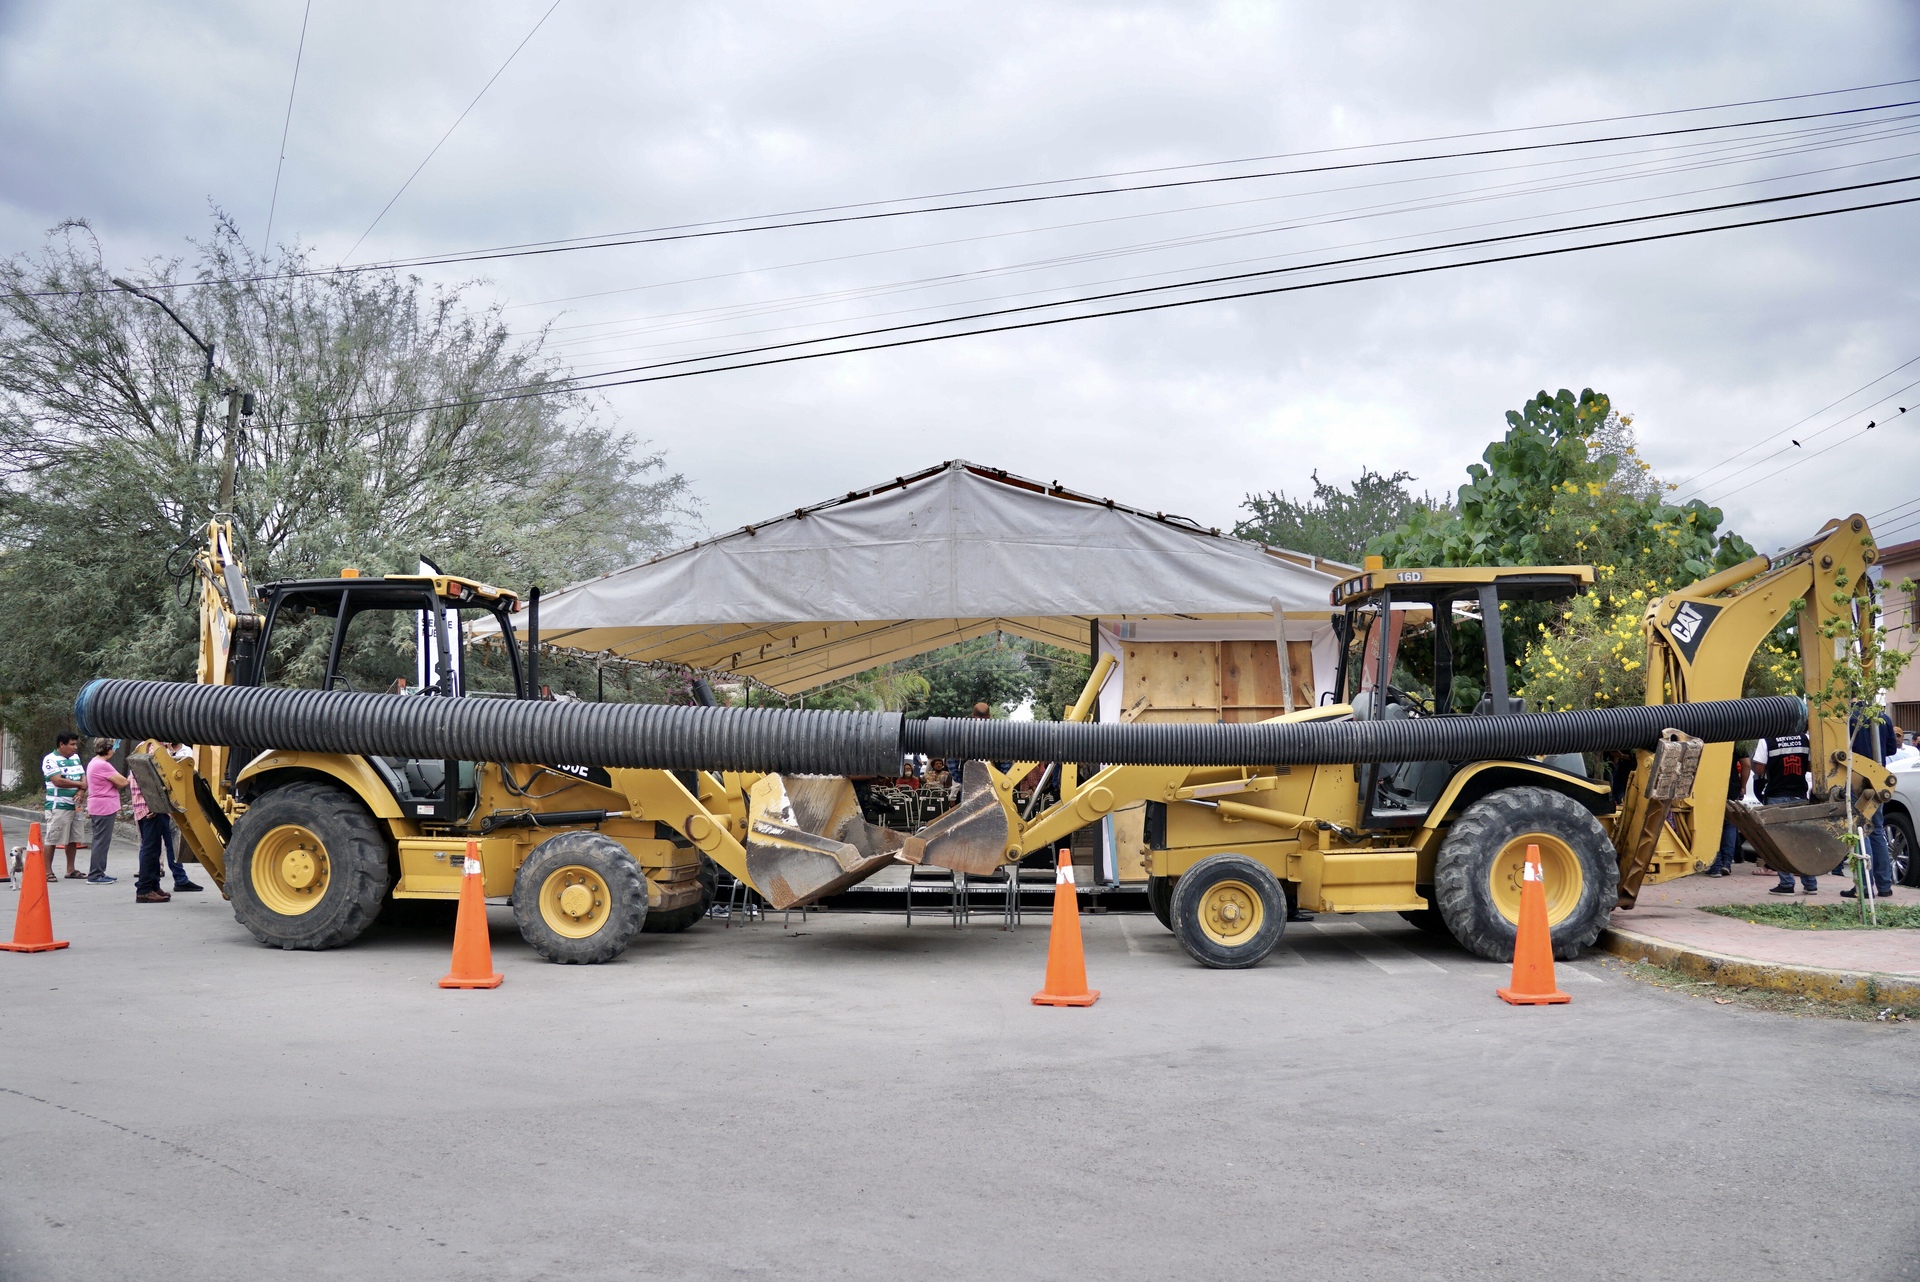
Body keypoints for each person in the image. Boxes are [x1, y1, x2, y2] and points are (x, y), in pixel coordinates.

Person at [1840, 709, 1898, 901]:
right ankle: (1884, 885)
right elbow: (1891, 748)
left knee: (1860, 829)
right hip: (1878, 778)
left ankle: (1864, 886)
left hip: (1855, 778)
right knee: (1877, 830)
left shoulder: (1846, 717)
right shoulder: (1883, 718)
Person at [1754, 729, 1816, 894]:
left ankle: (1787, 884)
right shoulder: (1805, 739)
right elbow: (1812, 766)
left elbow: (1759, 768)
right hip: (1800, 795)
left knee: (1780, 843)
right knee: (1802, 842)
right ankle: (1810, 884)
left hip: (1776, 795)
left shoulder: (1767, 739)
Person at [40, 732, 87, 880]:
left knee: (73, 838)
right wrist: (80, 784)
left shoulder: (75, 758)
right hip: (58, 804)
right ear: (62, 744)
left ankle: (70, 869)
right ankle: (47, 871)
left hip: (75, 805)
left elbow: (82, 775)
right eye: (72, 744)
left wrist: (81, 791)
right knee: (52, 837)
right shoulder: (50, 759)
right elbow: (57, 780)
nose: (75, 747)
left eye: (75, 744)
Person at [82, 738, 127, 885]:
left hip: (98, 805)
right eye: (113, 747)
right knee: (101, 841)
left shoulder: (94, 762)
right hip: (104, 806)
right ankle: (95, 874)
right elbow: (122, 782)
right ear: (108, 749)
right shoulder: (103, 765)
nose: (115, 750)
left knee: (99, 840)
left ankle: (98, 871)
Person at [1704, 748, 1751, 876]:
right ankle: (1726, 863)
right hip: (1732, 786)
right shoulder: (1735, 740)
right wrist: (1742, 785)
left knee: (1711, 824)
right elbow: (1747, 764)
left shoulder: (1705, 735)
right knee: (1730, 825)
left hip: (1709, 786)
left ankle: (1715, 865)